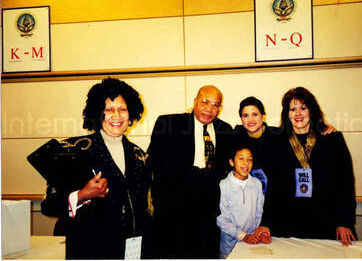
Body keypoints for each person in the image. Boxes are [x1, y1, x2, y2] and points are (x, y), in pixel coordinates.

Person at [28, 77, 151, 259]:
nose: (116, 116)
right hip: (90, 250)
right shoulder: (72, 149)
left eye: (122, 109)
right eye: (108, 110)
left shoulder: (139, 155)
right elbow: (49, 206)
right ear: (97, 113)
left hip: (132, 251)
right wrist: (82, 195)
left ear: (130, 113)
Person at [259, 87, 357, 246]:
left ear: (312, 110)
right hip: (286, 224)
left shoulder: (332, 140)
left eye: (303, 108)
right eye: (293, 109)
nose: (298, 114)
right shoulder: (276, 141)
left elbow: (345, 184)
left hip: (326, 223)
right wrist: (266, 222)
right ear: (287, 113)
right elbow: (273, 187)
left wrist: (344, 222)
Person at [146, 85, 233, 258]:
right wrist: (199, 176)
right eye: (204, 102)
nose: (209, 109)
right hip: (174, 212)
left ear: (220, 108)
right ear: (195, 101)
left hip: (208, 213)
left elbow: (227, 167)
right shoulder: (168, 123)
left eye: (215, 105)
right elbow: (156, 162)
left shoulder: (226, 129)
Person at [217, 144, 270, 259]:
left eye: (249, 160)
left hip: (252, 243)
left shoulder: (257, 184)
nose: (246, 163)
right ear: (232, 162)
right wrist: (242, 236)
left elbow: (258, 212)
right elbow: (222, 219)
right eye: (241, 159)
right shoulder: (223, 186)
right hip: (229, 246)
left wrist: (258, 232)